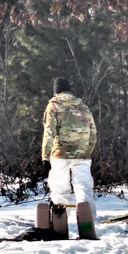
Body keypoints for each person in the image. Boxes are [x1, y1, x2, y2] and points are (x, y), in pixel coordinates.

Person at [42, 77, 97, 219]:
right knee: (84, 187)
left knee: (59, 188)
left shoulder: (53, 105)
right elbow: (93, 134)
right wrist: (86, 151)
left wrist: (45, 156)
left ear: (56, 92)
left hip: (60, 154)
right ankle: (88, 219)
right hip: (82, 155)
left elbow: (49, 132)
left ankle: (60, 220)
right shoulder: (83, 107)